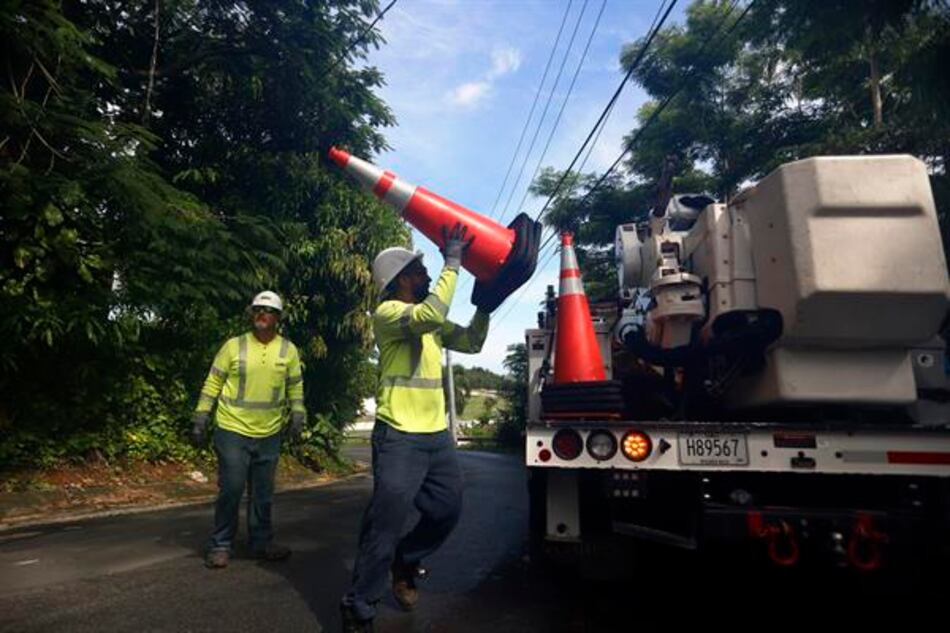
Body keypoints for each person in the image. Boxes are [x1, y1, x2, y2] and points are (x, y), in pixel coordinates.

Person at [340, 225, 491, 632]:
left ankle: (405, 560)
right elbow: (430, 314)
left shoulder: (431, 324)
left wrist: (485, 306)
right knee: (384, 525)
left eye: (428, 272)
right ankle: (359, 608)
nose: (427, 278)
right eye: (421, 273)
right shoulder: (388, 315)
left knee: (447, 510)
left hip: (435, 437)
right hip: (399, 435)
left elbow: (474, 342)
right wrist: (454, 263)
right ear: (402, 279)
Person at [190, 290, 306, 569]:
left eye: (267, 311)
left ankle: (261, 542)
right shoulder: (234, 346)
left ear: (277, 318)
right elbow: (213, 382)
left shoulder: (287, 350)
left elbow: (295, 386)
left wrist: (299, 415)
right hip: (232, 428)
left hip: (269, 432)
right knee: (231, 487)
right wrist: (201, 416)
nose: (261, 315)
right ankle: (221, 544)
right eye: (256, 310)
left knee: (263, 492)